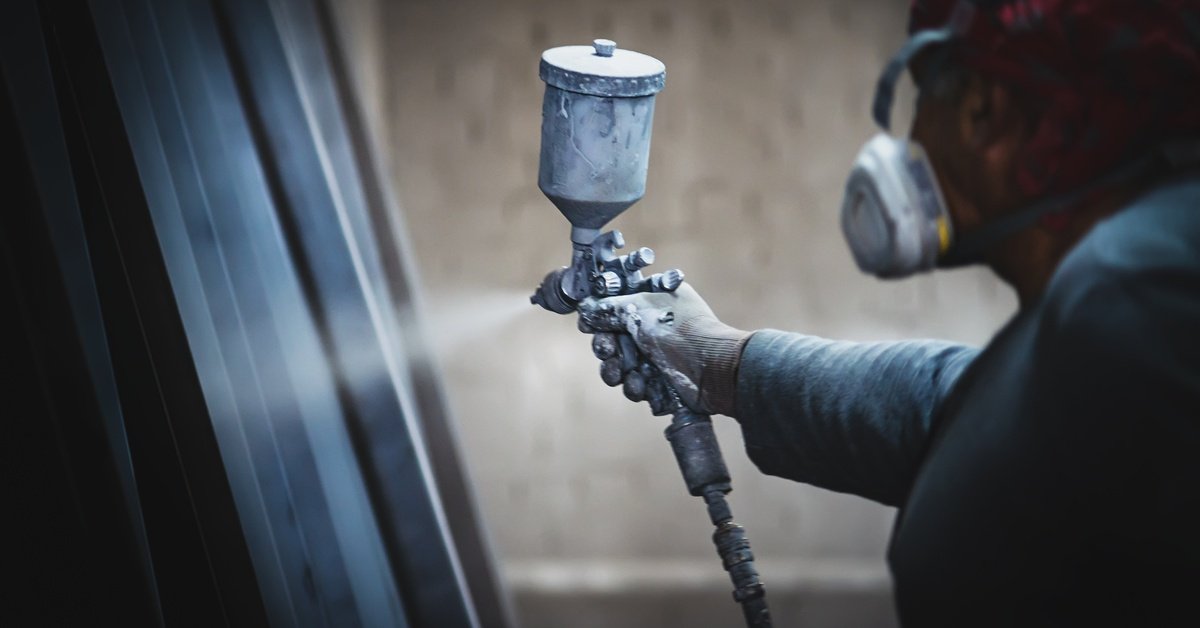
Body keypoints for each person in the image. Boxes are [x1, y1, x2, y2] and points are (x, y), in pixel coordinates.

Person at [577, 1, 1200, 625]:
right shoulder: (1114, 303)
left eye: (925, 97)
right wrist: (716, 359)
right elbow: (956, 405)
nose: (912, 135)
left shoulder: (1133, 289)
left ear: (986, 115)